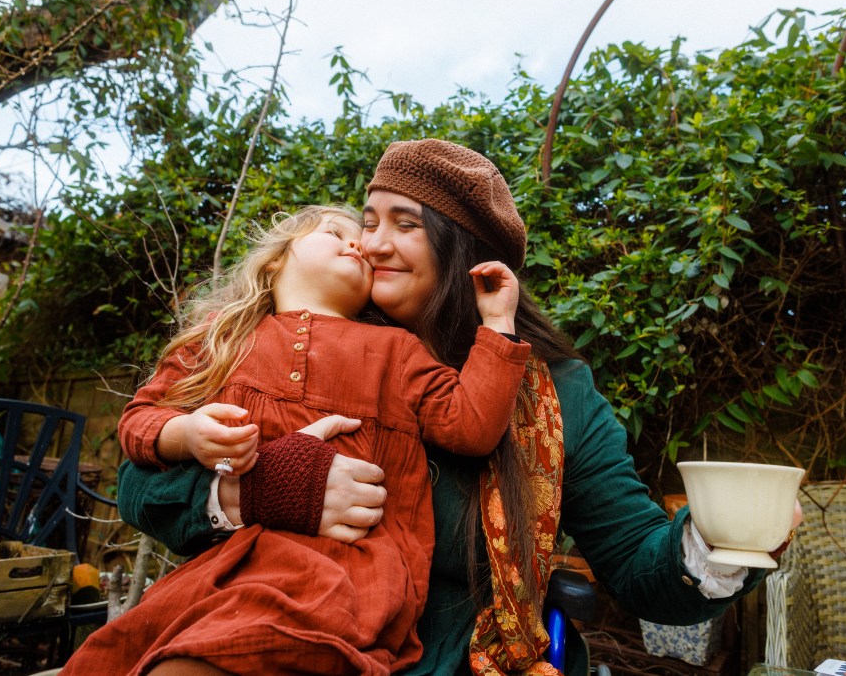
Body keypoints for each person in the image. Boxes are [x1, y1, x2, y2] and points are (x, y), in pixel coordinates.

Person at [117, 140, 791, 676]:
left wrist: (718, 542)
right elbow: (141, 480)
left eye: (403, 225)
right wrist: (262, 487)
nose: (369, 242)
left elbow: (637, 561)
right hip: (284, 641)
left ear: (464, 250)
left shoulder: (553, 392)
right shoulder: (306, 346)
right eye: (367, 220)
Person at [62, 204, 533, 675]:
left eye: (363, 245)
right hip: (232, 565)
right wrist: (185, 435)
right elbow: (140, 420)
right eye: (335, 232)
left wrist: (496, 326)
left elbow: (471, 424)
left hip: (348, 569)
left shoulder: (398, 352)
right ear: (275, 259)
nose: (358, 245)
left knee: (219, 651)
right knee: (132, 651)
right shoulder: (223, 339)